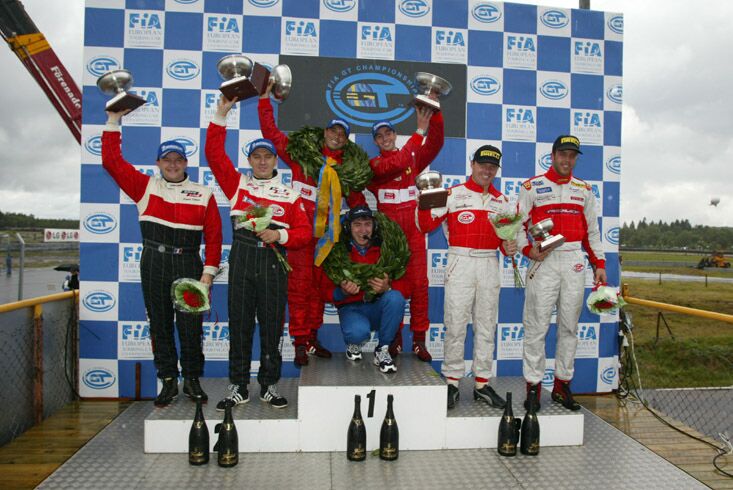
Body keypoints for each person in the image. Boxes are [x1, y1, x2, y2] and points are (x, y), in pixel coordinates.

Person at [102, 109, 222, 407]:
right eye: (167, 160)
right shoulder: (145, 186)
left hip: (189, 263)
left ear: (185, 163)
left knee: (191, 327)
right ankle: (168, 381)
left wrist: (207, 274)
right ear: (158, 163)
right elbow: (111, 162)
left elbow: (215, 237)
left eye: (178, 160)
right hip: (154, 262)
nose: (172, 165)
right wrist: (113, 121)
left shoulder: (203, 192)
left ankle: (192, 379)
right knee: (160, 324)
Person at [205, 95, 311, 410]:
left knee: (271, 325)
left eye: (267, 156)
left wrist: (279, 233)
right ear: (250, 161)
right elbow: (213, 154)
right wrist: (221, 114)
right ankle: (238, 385)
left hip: (272, 260)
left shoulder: (290, 195)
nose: (262, 161)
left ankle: (268, 385)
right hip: (242, 257)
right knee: (238, 325)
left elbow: (305, 234)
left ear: (275, 160)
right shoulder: (237, 185)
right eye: (257, 156)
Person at [258, 81, 367, 366]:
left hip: (327, 239)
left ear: (346, 141)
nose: (337, 136)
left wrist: (365, 232)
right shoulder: (300, 155)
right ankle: (298, 341)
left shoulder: (348, 173)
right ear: (324, 133)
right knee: (298, 289)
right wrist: (264, 100)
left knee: (318, 290)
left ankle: (312, 338)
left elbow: (359, 205)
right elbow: (270, 132)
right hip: (297, 235)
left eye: (342, 134)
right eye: (333, 131)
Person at [417, 145, 515, 410]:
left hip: (489, 263)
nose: (487, 170)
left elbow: (507, 245)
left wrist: (510, 246)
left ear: (497, 170)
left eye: (492, 167)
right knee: (456, 324)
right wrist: (426, 199)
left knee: (486, 326)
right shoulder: (452, 194)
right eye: (483, 164)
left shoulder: (504, 202)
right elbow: (425, 226)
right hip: (460, 261)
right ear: (472, 164)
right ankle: (452, 382)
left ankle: (482, 383)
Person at [517, 135, 607, 411]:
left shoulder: (585, 190)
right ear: (553, 155)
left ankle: (561, 386)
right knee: (536, 326)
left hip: (573, 260)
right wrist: (527, 250)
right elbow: (517, 226)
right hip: (543, 259)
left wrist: (599, 264)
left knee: (569, 327)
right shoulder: (532, 187)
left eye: (572, 156)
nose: (567, 160)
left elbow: (592, 232)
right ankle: (533, 388)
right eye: (563, 155)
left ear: (576, 159)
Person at [367, 102, 444, 362]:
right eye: (380, 136)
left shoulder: (413, 158)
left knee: (421, 287)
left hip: (414, 235)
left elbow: (435, 144)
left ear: (394, 135)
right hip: (391, 242)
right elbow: (397, 163)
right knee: (395, 290)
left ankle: (420, 341)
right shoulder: (374, 167)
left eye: (389, 133)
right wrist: (419, 131)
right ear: (376, 142)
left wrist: (435, 112)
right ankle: (394, 340)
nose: (385, 138)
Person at [317, 206, 406, 373]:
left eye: (367, 224)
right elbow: (323, 291)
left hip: (377, 307)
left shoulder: (385, 250)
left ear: (374, 227)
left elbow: (403, 287)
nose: (363, 230)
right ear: (348, 228)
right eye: (357, 225)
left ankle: (382, 350)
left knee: (395, 298)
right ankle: (353, 343)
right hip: (352, 308)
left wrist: (386, 287)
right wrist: (342, 292)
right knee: (358, 333)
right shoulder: (337, 252)